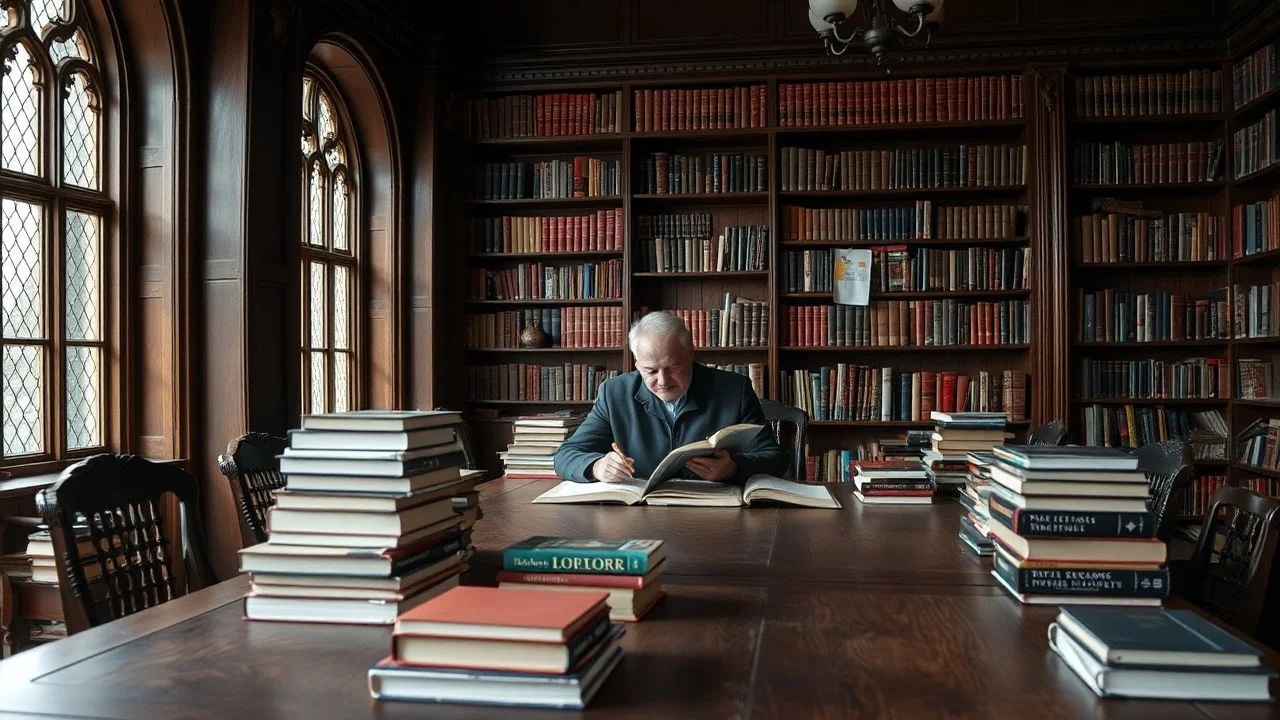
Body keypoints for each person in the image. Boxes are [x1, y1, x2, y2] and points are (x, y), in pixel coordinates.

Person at [552, 311, 788, 484]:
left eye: (673, 368)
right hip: (639, 516)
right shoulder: (614, 394)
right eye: (651, 371)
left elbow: (775, 458)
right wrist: (597, 466)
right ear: (637, 364)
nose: (663, 381)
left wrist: (734, 468)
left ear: (691, 354)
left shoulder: (735, 390)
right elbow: (566, 455)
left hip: (716, 517)